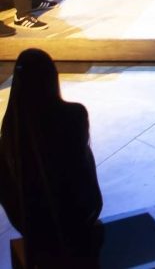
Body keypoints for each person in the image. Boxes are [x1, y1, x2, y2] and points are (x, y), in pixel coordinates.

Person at [0, 49, 103, 267]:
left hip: (29, 223)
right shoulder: (74, 116)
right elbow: (81, 166)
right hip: (79, 215)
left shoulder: (10, 130)